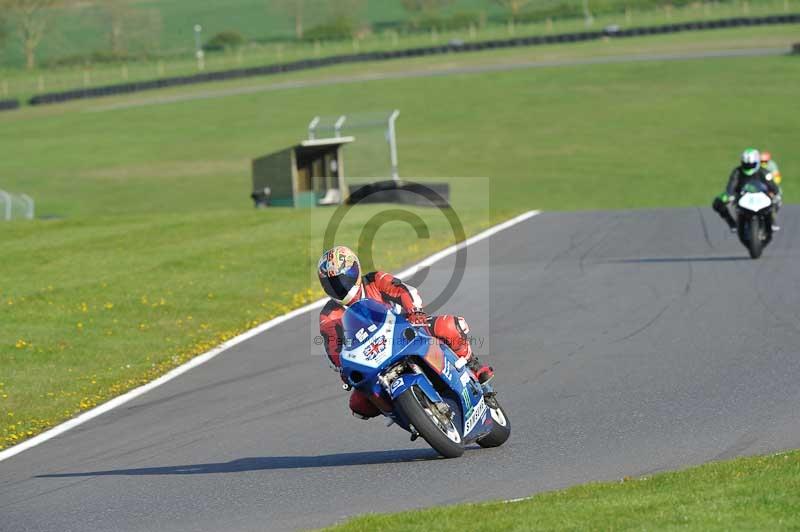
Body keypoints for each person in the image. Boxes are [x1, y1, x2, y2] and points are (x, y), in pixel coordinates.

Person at [317, 245, 494, 419]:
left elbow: (404, 291)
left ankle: (473, 366)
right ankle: (405, 414)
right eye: (331, 283)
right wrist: (343, 366)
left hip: (407, 332)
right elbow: (333, 346)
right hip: (371, 357)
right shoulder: (329, 315)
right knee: (359, 404)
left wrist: (415, 312)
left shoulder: (375, 280)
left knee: (449, 326)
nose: (339, 285)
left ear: (355, 270)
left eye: (342, 278)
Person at [712, 148, 781, 233]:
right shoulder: (737, 171)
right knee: (717, 203)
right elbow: (731, 185)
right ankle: (732, 223)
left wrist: (775, 194)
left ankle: (772, 221)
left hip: (761, 195)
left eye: (751, 164)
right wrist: (729, 195)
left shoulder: (764, 172)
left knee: (776, 200)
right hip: (741, 195)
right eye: (746, 164)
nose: (749, 166)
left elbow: (772, 185)